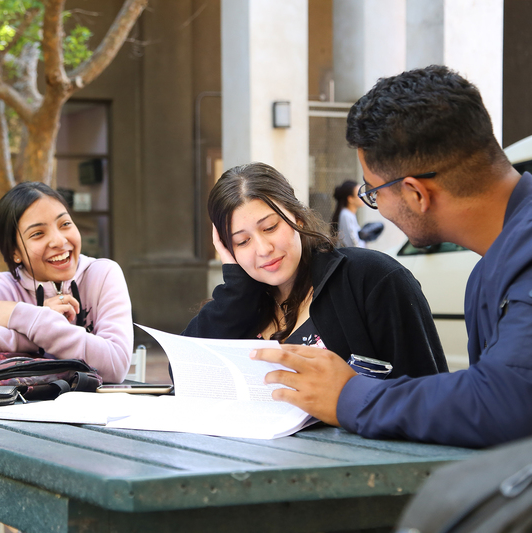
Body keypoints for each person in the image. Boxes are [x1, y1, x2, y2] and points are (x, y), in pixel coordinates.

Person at [251, 65, 532, 449]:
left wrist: (349, 395)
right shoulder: (490, 267)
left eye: (373, 192)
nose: (376, 206)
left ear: (416, 194)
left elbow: (506, 400)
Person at [183, 162, 447, 382]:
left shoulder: (371, 277)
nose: (263, 249)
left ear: (297, 216)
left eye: (271, 227)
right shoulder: (242, 304)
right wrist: (236, 287)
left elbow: (426, 395)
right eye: (242, 242)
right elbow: (185, 374)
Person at [0, 182, 133, 383]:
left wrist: (25, 317)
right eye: (37, 234)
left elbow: (115, 366)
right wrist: (32, 333)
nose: (60, 241)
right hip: (17, 411)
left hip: (94, 414)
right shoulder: (6, 287)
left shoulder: (103, 275)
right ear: (15, 252)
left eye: (65, 224)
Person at [331, 180, 366, 247]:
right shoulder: (346, 215)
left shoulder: (350, 214)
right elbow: (353, 244)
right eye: (359, 194)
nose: (363, 196)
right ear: (350, 199)